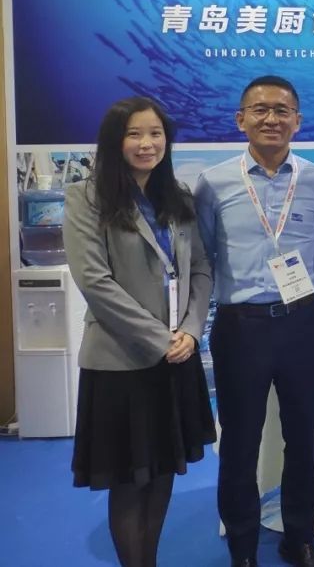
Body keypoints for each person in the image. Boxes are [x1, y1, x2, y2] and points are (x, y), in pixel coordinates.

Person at [64, 96, 215, 567]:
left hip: (178, 355)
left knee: (164, 469)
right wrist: (159, 339)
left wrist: (191, 330)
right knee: (131, 478)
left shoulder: (178, 196)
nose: (147, 143)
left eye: (155, 133)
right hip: (121, 361)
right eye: (134, 134)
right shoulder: (86, 197)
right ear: (115, 141)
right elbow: (95, 281)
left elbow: (201, 269)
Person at [194, 75, 314, 567]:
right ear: (241, 120)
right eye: (260, 110)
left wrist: (300, 290)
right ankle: (242, 547)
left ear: (298, 120)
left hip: (302, 323)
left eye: (282, 110)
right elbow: (204, 253)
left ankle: (299, 538)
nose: (271, 119)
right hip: (241, 327)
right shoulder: (213, 183)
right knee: (240, 441)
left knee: (303, 437)